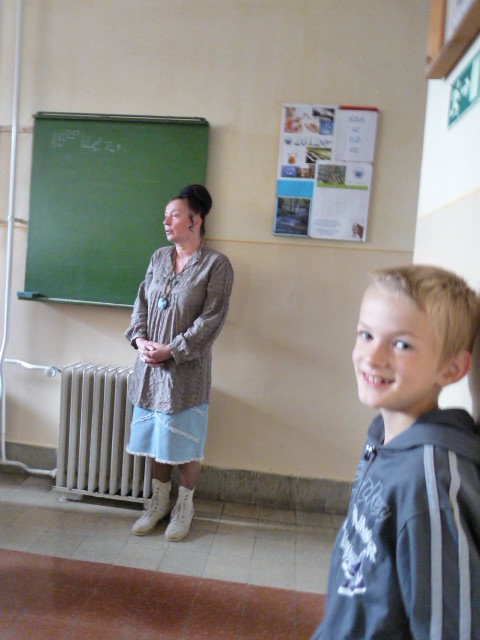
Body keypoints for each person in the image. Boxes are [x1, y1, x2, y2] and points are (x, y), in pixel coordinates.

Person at [311, 264, 480, 640]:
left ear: (452, 368)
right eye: (366, 335)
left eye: (401, 344)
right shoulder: (383, 437)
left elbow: (450, 627)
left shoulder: (431, 480)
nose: (373, 356)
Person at [124, 184, 233, 541]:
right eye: (165, 217)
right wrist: (140, 341)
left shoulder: (216, 265)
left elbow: (211, 320)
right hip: (150, 367)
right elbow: (141, 302)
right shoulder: (159, 257)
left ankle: (184, 507)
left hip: (186, 370)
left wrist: (171, 350)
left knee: (184, 443)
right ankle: (158, 503)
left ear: (196, 221)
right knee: (156, 440)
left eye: (174, 216)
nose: (166, 222)